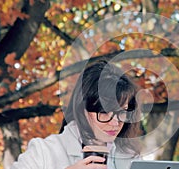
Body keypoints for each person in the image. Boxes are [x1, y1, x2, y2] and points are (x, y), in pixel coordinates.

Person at [11, 60, 142, 169]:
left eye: (121, 112)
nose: (115, 123)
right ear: (82, 110)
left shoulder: (132, 159)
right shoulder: (44, 151)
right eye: (104, 112)